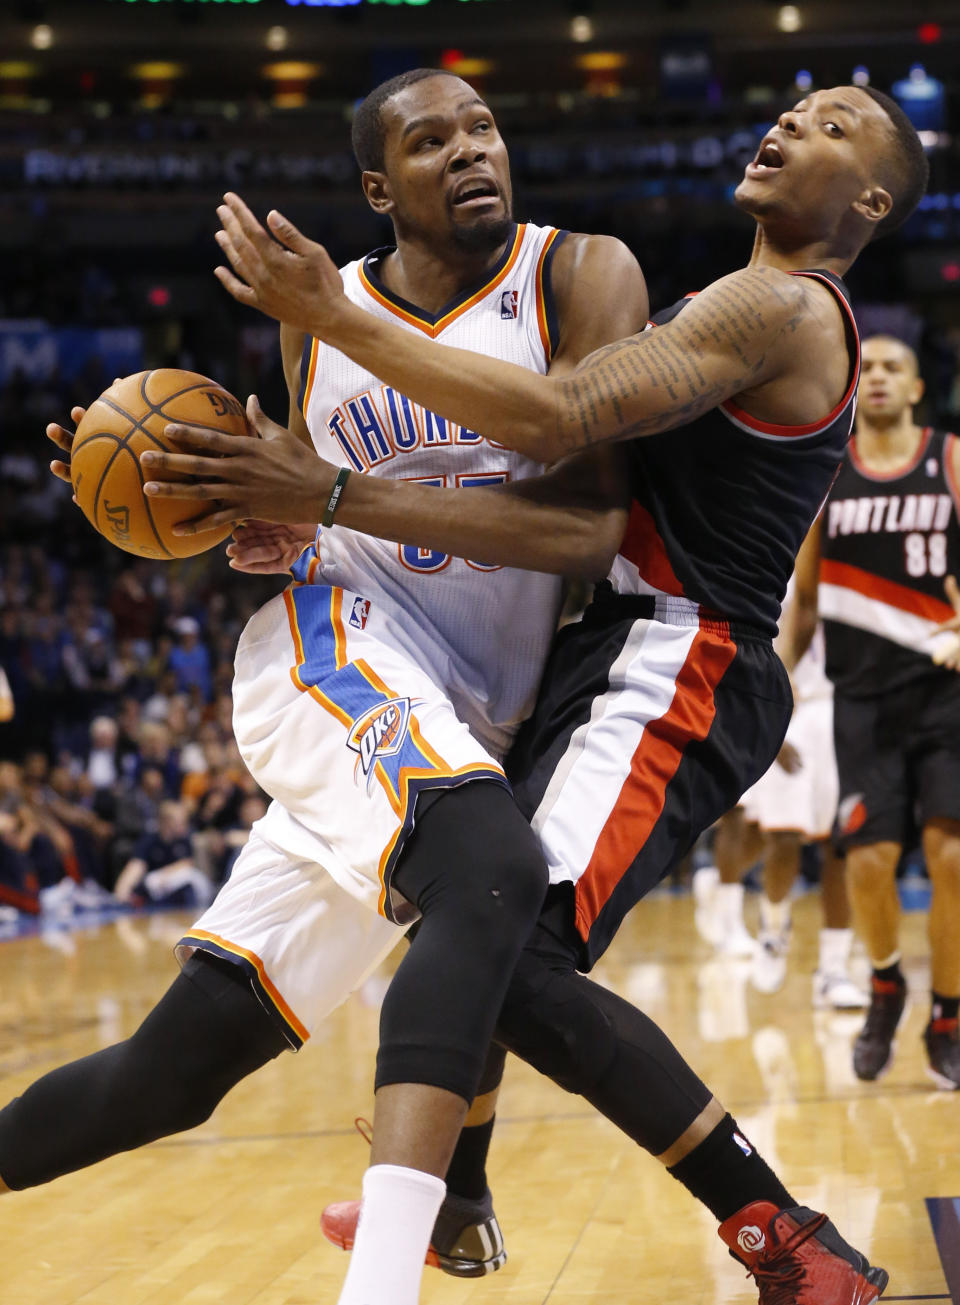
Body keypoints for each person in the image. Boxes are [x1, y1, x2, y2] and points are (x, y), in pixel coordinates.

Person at [145, 83, 927, 1305]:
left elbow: (561, 414)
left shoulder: (778, 303)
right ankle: (456, 1199)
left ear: (870, 200)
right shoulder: (739, 297)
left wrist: (334, 324)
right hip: (615, 649)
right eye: (790, 112)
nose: (786, 126)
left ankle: (786, 1234)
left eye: (829, 127)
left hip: (680, 657)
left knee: (506, 954)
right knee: (473, 918)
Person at [5, 67, 640, 1305]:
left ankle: (459, 1199)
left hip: (461, 723)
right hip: (335, 656)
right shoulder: (317, 314)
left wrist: (319, 504)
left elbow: (591, 533)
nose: (470, 152)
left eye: (484, 126)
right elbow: (314, 515)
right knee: (495, 875)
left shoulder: (579, 275)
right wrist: (234, 507)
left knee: (171, 1074)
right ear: (376, 187)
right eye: (431, 140)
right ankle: (391, 1279)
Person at [777, 334, 960, 1087]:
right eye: (869, 368)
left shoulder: (949, 459)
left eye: (893, 366)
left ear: (917, 387)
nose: (878, 376)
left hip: (945, 695)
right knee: (867, 862)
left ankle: (947, 1013)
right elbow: (807, 596)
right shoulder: (828, 475)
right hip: (860, 697)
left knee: (952, 857)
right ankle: (886, 982)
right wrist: (779, 687)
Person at [694, 574, 868, 1009]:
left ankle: (833, 968)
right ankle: (772, 930)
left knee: (839, 846)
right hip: (791, 709)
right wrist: (772, 718)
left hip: (846, 714)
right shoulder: (778, 573)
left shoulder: (856, 576)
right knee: (777, 835)